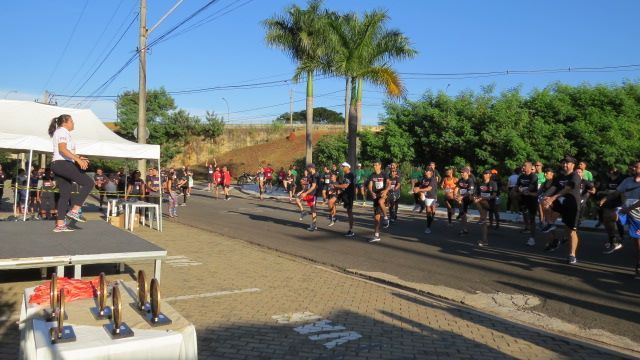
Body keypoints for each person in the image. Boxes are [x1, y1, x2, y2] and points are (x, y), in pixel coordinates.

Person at [48, 114, 94, 232]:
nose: (73, 123)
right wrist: (77, 160)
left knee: (65, 195)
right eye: (72, 121)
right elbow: (62, 149)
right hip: (62, 164)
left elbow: (66, 151)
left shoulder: (62, 132)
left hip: (59, 164)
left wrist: (79, 157)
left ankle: (60, 225)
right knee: (89, 183)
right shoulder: (62, 132)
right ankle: (75, 210)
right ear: (65, 122)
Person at [541, 156, 582, 264]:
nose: (565, 165)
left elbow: (567, 188)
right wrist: (545, 197)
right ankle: (550, 223)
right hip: (560, 202)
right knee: (544, 202)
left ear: (573, 165)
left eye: (567, 163)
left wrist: (553, 198)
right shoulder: (559, 177)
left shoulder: (575, 176)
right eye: (563, 163)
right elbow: (553, 188)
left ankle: (572, 255)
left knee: (571, 231)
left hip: (572, 205)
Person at [614, 161, 640, 279]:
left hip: (635, 214)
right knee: (637, 242)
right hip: (633, 216)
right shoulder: (627, 180)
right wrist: (604, 198)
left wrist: (628, 208)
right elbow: (618, 192)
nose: (633, 168)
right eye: (633, 166)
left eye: (636, 167)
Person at [597, 167, 625, 254]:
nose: (613, 172)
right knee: (607, 221)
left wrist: (607, 193)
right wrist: (604, 194)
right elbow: (607, 190)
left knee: (616, 220)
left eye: (614, 170)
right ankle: (612, 240)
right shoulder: (608, 180)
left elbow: (618, 192)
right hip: (609, 202)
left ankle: (619, 238)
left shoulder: (621, 180)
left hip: (618, 203)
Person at [516, 162, 539, 246]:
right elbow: (517, 186)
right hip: (523, 198)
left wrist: (523, 190)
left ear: (529, 167)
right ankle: (527, 227)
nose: (523, 167)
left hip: (532, 199)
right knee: (525, 214)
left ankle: (532, 238)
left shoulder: (533, 176)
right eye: (523, 166)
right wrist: (514, 191)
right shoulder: (521, 176)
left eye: (525, 166)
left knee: (532, 218)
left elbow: (531, 187)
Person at [367, 160, 390, 243]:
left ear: (380, 165)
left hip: (384, 194)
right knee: (376, 218)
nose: (374, 166)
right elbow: (370, 186)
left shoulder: (384, 174)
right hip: (376, 196)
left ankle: (386, 217)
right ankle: (376, 235)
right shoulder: (372, 175)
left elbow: (388, 183)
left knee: (381, 201)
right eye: (373, 165)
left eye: (376, 165)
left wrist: (386, 191)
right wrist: (371, 192)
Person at [475, 170, 499, 246]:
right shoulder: (480, 183)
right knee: (484, 222)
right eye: (484, 173)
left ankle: (483, 217)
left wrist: (482, 198)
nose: (484, 175)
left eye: (486, 174)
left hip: (490, 204)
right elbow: (477, 194)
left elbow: (494, 195)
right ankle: (484, 240)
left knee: (480, 201)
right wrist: (476, 197)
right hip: (482, 203)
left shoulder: (493, 183)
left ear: (490, 175)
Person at [415, 167, 438, 235]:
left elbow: (429, 188)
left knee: (431, 210)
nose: (425, 171)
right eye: (425, 170)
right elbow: (421, 186)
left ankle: (429, 224)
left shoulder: (433, 179)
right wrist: (416, 189)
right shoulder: (423, 179)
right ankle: (429, 225)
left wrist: (419, 190)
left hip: (432, 196)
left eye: (427, 171)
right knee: (428, 211)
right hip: (426, 196)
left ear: (430, 172)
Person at [335, 162, 356, 237]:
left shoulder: (351, 175)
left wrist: (336, 186)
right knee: (332, 201)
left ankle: (351, 230)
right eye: (342, 166)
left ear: (348, 167)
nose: (342, 168)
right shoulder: (345, 175)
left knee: (349, 212)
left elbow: (345, 185)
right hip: (345, 194)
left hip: (349, 195)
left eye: (343, 166)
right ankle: (333, 217)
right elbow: (343, 186)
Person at [297, 164, 320, 231]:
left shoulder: (315, 175)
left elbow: (313, 186)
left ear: (311, 168)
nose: (307, 169)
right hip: (308, 193)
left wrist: (305, 193)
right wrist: (302, 191)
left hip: (313, 194)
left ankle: (314, 225)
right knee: (297, 199)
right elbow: (308, 185)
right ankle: (303, 211)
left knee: (313, 209)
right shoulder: (310, 175)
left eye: (308, 168)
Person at [456, 167, 476, 236]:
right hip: (462, 199)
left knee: (463, 213)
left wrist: (462, 196)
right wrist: (456, 195)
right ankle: (464, 229)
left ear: (467, 173)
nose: (461, 173)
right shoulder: (460, 180)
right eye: (461, 172)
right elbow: (457, 188)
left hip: (468, 198)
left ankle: (464, 229)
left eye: (462, 172)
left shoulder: (470, 180)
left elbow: (471, 191)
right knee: (462, 214)